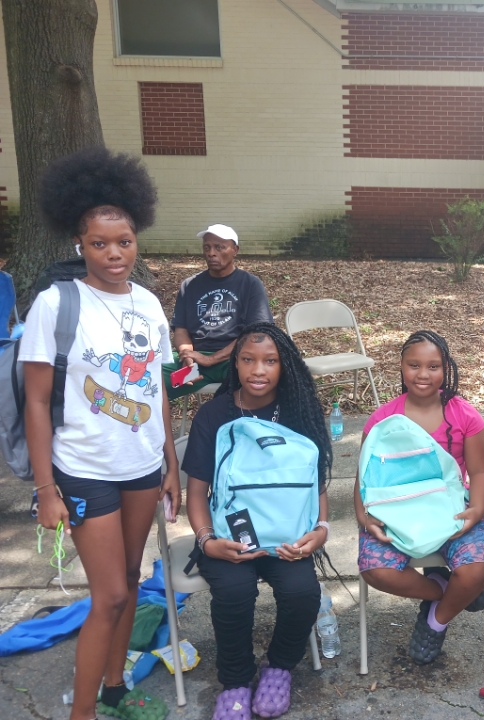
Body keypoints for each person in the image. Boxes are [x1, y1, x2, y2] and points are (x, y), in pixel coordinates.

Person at [21, 147, 180, 720]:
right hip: (84, 468)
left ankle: (115, 687)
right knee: (109, 594)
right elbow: (36, 402)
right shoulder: (56, 304)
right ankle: (82, 712)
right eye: (99, 244)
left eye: (124, 241)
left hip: (140, 465)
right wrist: (46, 490)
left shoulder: (150, 304)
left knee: (131, 581)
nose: (114, 254)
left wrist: (169, 464)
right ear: (79, 245)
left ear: (137, 240)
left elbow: (157, 390)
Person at [182, 323, 332, 719]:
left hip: (289, 537)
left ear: (285, 366)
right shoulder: (214, 414)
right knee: (234, 591)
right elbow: (195, 493)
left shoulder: (299, 410)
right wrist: (207, 540)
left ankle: (279, 668)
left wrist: (320, 531)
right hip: (227, 536)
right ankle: (234, 681)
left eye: (270, 361)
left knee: (302, 593)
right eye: (248, 359)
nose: (258, 370)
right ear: (235, 363)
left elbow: (316, 486)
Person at [354, 330, 484, 665]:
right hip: (395, 514)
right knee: (376, 569)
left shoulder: (465, 416)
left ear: (446, 369)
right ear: (401, 367)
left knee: (477, 568)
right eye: (414, 365)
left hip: (450, 511)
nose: (423, 374)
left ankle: (435, 622)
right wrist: (364, 517)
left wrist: (477, 509)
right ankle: (446, 593)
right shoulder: (382, 420)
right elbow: (364, 478)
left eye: (433, 366)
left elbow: (480, 472)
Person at [162, 224, 273, 400]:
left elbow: (257, 333)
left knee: (258, 379)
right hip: (196, 363)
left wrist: (211, 359)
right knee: (148, 381)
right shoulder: (190, 285)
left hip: (235, 360)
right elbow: (181, 329)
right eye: (207, 247)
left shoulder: (250, 284)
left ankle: (237, 415)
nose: (211, 253)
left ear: (235, 250)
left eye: (219, 247)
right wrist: (187, 356)